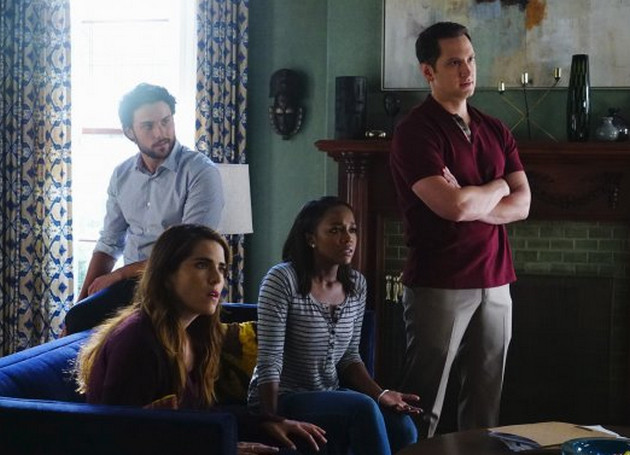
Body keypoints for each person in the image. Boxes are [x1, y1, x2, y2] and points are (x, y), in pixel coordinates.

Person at [389, 22, 531, 438]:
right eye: (454, 63)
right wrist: (498, 187)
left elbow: (523, 204)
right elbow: (450, 206)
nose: (467, 70)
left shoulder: (495, 129)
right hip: (439, 281)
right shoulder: (415, 131)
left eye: (470, 59)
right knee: (422, 402)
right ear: (428, 71)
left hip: (497, 278)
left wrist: (476, 199)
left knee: (486, 404)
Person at [75, 224, 326, 455]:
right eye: (202, 265)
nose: (217, 278)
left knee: (304, 441)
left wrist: (265, 423)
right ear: (167, 274)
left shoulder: (193, 335)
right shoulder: (137, 339)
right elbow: (119, 436)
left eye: (221, 268)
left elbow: (199, 416)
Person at [247, 196, 419, 455]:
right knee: (362, 407)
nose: (348, 238)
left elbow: (349, 357)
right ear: (311, 238)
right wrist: (271, 418)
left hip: (330, 392)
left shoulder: (357, 285)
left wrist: (381, 393)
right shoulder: (282, 279)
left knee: (402, 426)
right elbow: (270, 359)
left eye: (352, 229)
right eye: (335, 230)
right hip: (283, 396)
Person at [65, 83, 224, 334]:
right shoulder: (122, 175)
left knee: (139, 331)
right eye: (148, 126)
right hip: (131, 286)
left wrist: (119, 275)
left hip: (177, 285)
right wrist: (80, 305)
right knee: (77, 319)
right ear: (130, 132)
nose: (161, 132)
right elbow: (109, 244)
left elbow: (187, 251)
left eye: (166, 121)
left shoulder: (201, 172)